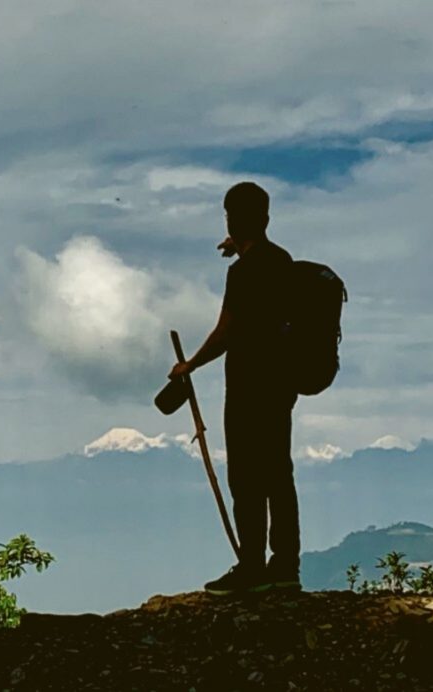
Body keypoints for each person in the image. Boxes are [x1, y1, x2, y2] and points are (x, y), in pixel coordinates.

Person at [169, 181, 301, 595]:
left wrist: (190, 364)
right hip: (281, 385)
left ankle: (250, 566)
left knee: (245, 476)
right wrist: (240, 244)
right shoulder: (282, 261)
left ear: (234, 218)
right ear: (266, 217)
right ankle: (284, 567)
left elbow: (227, 332)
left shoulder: (243, 273)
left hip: (247, 386)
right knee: (279, 472)